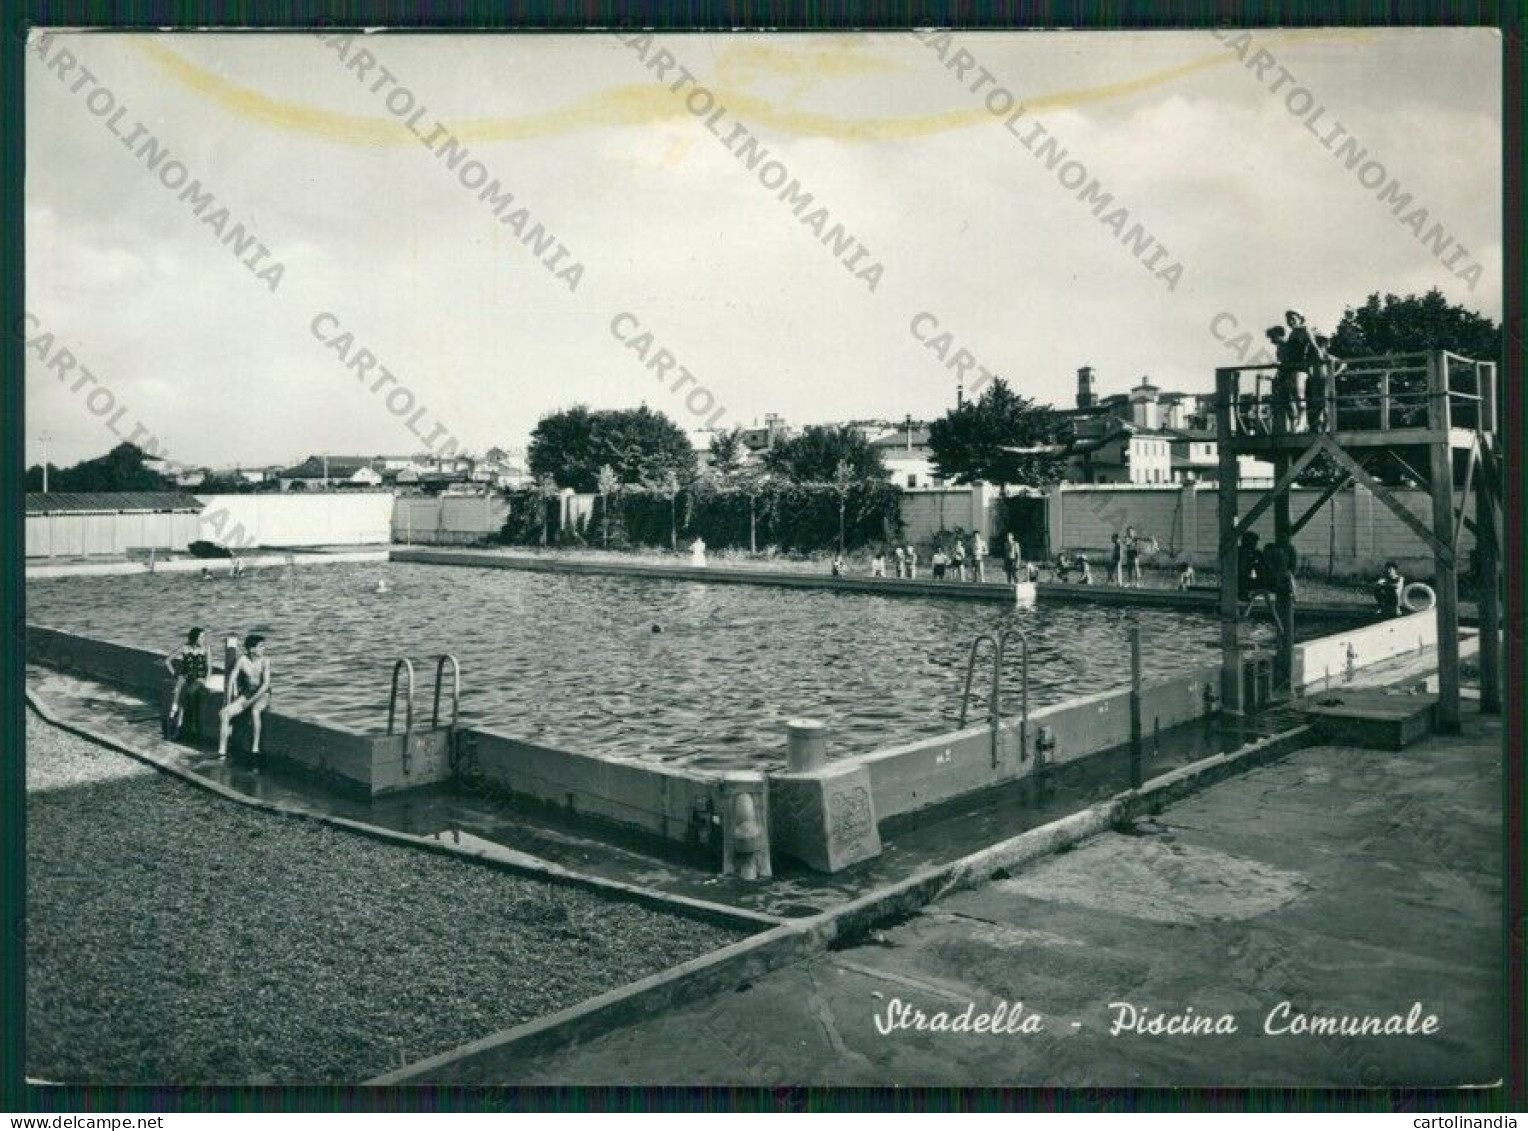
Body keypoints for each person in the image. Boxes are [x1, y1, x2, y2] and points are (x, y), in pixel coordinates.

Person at [218, 634, 272, 760]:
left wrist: (250, 702)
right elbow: (231, 679)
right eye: (261, 646)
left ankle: (255, 749)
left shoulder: (265, 661)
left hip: (263, 693)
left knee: (255, 711)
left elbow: (265, 685)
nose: (264, 648)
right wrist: (228, 700)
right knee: (224, 713)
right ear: (252, 649)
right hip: (248, 692)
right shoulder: (242, 660)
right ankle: (222, 750)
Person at [1285, 310, 1329, 432]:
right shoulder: (1291, 333)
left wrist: (1320, 359)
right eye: (1288, 319)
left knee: (1300, 394)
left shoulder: (1305, 330)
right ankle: (1301, 421)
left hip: (1302, 367)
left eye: (1293, 318)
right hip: (1292, 367)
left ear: (1300, 318)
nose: (1290, 321)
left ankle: (1302, 421)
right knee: (1293, 394)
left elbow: (1314, 346)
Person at [164, 627, 211, 740]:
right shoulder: (184, 648)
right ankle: (177, 728)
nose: (203, 639)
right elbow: (167, 661)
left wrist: (206, 680)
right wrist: (175, 675)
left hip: (199, 679)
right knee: (178, 697)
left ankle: (180, 729)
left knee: (187, 695)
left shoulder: (206, 649)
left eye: (204, 637)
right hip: (185, 678)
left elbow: (209, 667)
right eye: (201, 637)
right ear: (195, 638)